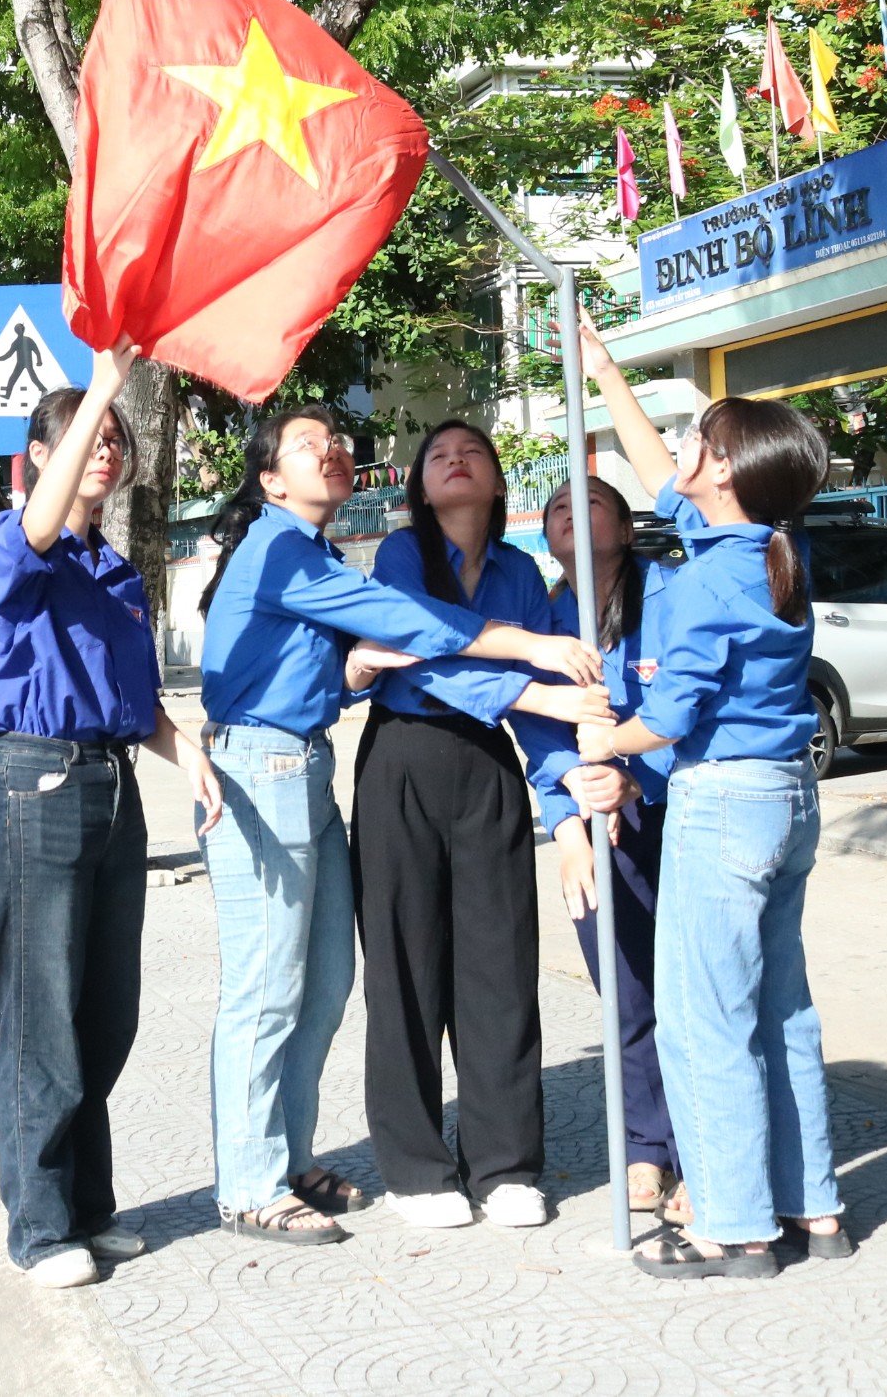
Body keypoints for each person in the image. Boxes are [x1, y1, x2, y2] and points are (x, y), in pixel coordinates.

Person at [197, 406, 600, 1246]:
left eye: (338, 441)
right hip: (300, 768)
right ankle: (255, 1182)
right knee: (287, 984)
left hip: (317, 765)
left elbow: (344, 668)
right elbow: (416, 630)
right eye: (310, 446)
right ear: (270, 479)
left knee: (335, 978)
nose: (333, 451)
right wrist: (527, 656)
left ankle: (324, 1158)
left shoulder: (326, 555)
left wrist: (561, 807)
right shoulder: (332, 551)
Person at [574, 322, 849, 1280]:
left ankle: (732, 1227)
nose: (683, 446)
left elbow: (672, 714)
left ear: (723, 469)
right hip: (785, 799)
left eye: (700, 437)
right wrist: (607, 375)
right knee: (782, 1011)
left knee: (706, 1017)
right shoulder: (765, 549)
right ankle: (813, 1209)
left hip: (724, 803)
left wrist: (605, 737)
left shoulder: (702, 585)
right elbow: (665, 470)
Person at [0, 339, 226, 1291]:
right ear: (40, 455)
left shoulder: (114, 569)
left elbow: (139, 704)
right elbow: (43, 524)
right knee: (42, 1016)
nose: (108, 448)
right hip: (36, 783)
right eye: (88, 437)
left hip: (113, 786)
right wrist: (105, 382)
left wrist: (187, 753)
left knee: (103, 1012)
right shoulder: (15, 541)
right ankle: (39, 1226)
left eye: (117, 436)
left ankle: (89, 1207)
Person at [350, 421, 613, 1231]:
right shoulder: (399, 558)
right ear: (421, 489)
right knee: (406, 968)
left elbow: (546, 708)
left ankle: (504, 1162)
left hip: (487, 771)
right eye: (436, 455)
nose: (455, 459)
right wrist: (535, 690)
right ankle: (418, 1165)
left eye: (472, 452)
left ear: (499, 483)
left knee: (499, 967)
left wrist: (564, 808)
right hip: (402, 761)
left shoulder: (523, 575)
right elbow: (423, 652)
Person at [523, 473, 681, 1218]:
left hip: (675, 815)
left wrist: (635, 779)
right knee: (624, 990)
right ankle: (647, 1147)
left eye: (588, 502)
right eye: (555, 507)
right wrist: (571, 815)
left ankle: (708, 1145)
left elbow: (693, 707)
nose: (568, 513)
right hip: (591, 826)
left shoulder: (670, 594)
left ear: (623, 524)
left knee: (691, 985)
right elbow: (539, 734)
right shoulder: (543, 621)